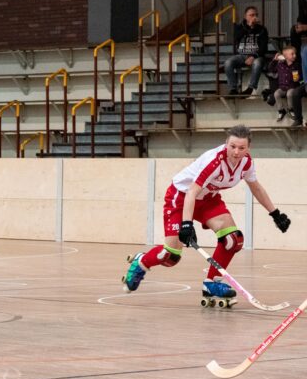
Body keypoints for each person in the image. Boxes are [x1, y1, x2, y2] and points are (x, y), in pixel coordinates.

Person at [123, 125, 290, 305]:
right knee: (170, 255)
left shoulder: (246, 163)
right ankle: (141, 262)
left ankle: (212, 283)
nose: (236, 152)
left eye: (241, 148)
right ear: (226, 143)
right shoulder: (215, 161)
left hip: (208, 199)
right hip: (181, 197)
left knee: (233, 239)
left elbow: (256, 187)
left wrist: (275, 213)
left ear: (248, 148)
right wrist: (187, 224)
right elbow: (191, 192)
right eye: (232, 146)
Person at [224, 6, 269, 96]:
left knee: (257, 63)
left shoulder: (262, 29)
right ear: (245, 16)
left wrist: (253, 56)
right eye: (251, 15)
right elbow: (237, 37)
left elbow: (264, 48)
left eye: (256, 15)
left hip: (256, 56)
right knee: (228, 63)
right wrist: (249, 27)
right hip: (242, 55)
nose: (254, 17)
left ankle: (251, 88)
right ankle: (233, 89)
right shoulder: (239, 27)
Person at [267, 46, 304, 126]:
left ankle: (291, 109)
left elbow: (301, 76)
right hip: (282, 87)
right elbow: (271, 69)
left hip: (292, 86)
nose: (294, 55)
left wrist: (298, 78)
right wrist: (274, 60)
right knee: (276, 94)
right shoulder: (280, 65)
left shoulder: (296, 65)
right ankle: (281, 110)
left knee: (290, 94)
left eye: (295, 54)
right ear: (285, 56)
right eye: (292, 54)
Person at [288, 0, 307, 84]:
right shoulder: (302, 0)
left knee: (305, 52)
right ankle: (296, 60)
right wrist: (299, 26)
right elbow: (301, 17)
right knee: (294, 30)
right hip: (305, 28)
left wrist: (305, 28)